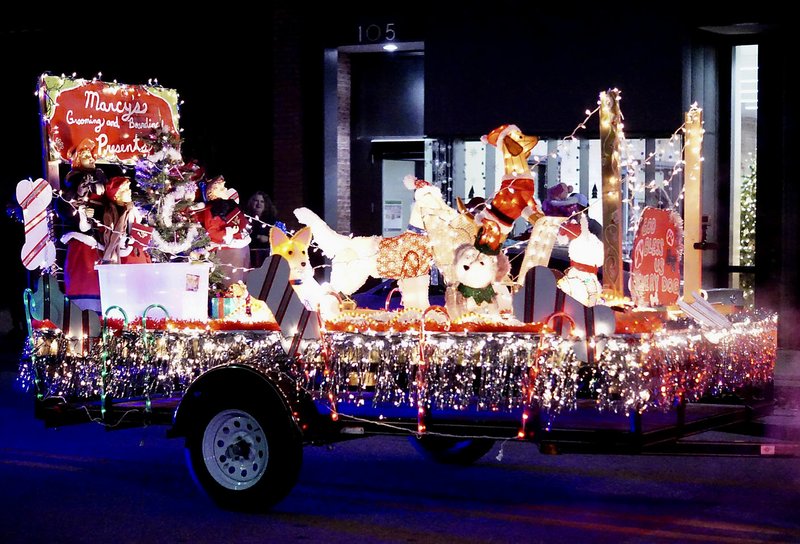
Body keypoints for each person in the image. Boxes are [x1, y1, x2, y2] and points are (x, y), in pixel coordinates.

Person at [196, 176, 251, 288]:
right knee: (232, 284)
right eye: (222, 189)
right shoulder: (213, 210)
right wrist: (228, 231)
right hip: (228, 249)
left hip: (241, 245)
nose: (226, 190)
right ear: (213, 193)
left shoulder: (228, 205)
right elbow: (213, 232)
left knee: (244, 281)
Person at [101, 176, 152, 264]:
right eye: (125, 189)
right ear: (116, 195)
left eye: (128, 188)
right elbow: (111, 235)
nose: (129, 191)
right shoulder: (113, 213)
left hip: (137, 252)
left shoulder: (132, 209)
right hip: (123, 255)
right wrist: (127, 240)